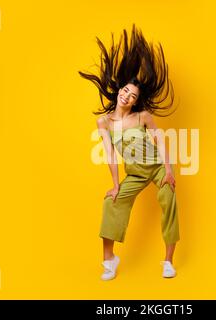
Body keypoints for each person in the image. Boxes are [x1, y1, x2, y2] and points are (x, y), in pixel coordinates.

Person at [79, 24, 180, 280]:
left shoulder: (143, 116)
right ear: (119, 91)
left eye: (132, 95)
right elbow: (111, 155)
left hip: (157, 168)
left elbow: (160, 141)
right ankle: (109, 260)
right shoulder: (104, 122)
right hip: (134, 174)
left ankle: (168, 262)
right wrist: (115, 185)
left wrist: (168, 170)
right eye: (125, 90)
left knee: (168, 200)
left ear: (136, 101)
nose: (126, 96)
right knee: (111, 201)